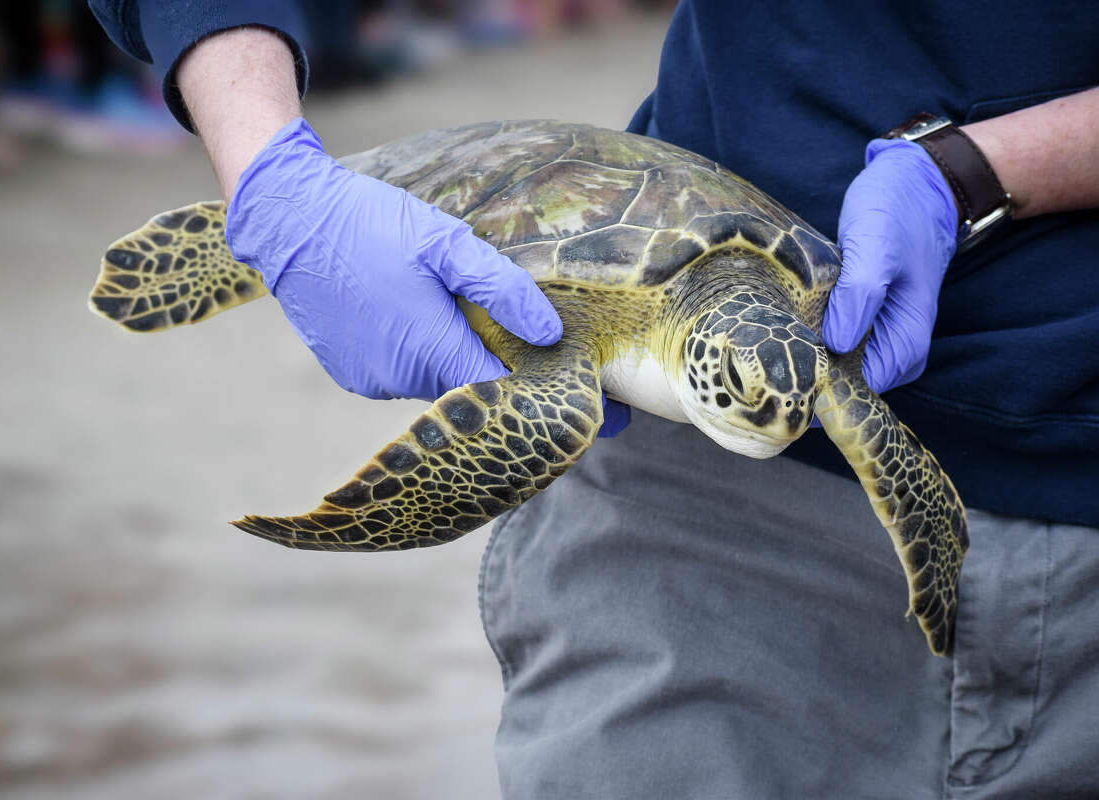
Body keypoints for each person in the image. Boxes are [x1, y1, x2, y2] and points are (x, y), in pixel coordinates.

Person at [89, 2, 1099, 796]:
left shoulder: (800, 368)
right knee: (548, 409)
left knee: (768, 409)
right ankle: (211, 245)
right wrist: (267, 166)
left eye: (783, 399)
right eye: (751, 394)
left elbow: (833, 410)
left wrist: (984, 168)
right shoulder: (670, 352)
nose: (774, 411)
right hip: (690, 535)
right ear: (708, 359)